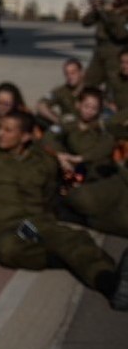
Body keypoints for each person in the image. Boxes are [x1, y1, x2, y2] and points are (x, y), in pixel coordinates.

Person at [0, 111, 128, 311]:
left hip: (31, 224)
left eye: (8, 130)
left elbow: (50, 192)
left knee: (68, 239)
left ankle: (110, 283)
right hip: (4, 225)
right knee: (8, 249)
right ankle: (64, 259)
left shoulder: (43, 160)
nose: (0, 133)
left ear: (25, 137)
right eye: (0, 128)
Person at [42, 88, 128, 238]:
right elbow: (49, 138)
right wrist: (60, 155)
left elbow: (105, 148)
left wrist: (81, 158)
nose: (89, 111)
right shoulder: (70, 122)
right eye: (86, 106)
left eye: (94, 108)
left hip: (104, 175)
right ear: (78, 105)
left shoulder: (103, 126)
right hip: (81, 176)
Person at [82, 0, 128, 90]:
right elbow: (86, 22)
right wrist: (95, 9)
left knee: (114, 86)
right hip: (100, 50)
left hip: (116, 52)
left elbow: (120, 33)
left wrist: (105, 12)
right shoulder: (109, 8)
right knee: (89, 83)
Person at [36, 58, 85, 125]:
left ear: (81, 73)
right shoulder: (61, 91)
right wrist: (57, 120)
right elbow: (41, 105)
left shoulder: (92, 90)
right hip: (68, 126)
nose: (70, 76)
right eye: (67, 74)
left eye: (73, 73)